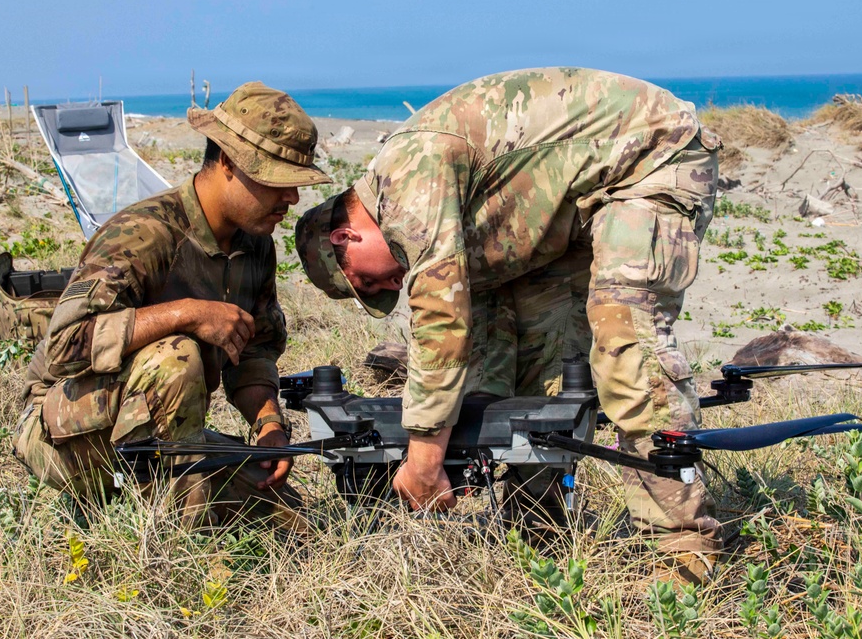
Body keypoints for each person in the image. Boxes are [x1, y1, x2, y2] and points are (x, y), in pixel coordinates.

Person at [296, 67, 722, 582]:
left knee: (625, 338)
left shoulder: (406, 177)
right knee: (547, 365)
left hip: (650, 158)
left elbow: (441, 317)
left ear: (345, 238)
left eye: (368, 285)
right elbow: (482, 334)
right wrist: (472, 428)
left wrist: (425, 457)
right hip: (574, 207)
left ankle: (681, 550)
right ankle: (536, 524)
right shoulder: (440, 214)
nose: (390, 288)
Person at [13, 82, 331, 527]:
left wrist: (268, 425)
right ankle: (173, 552)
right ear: (226, 163)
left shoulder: (255, 244)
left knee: (290, 519)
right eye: (277, 181)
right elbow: (65, 346)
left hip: (156, 424)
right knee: (176, 356)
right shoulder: (142, 235)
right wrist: (188, 313)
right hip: (61, 431)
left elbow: (254, 350)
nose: (292, 198)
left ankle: (171, 499)